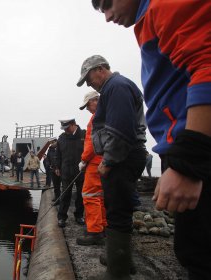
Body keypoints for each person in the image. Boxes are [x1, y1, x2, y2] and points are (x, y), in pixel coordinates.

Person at [90, 1, 211, 278]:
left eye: (107, 4)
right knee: (193, 248)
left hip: (191, 144)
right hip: (183, 142)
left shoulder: (165, 5)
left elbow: (206, 65)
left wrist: (188, 161)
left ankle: (118, 268)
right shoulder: (150, 18)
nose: (108, 16)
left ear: (100, 70)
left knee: (200, 252)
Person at [77, 55, 147, 278]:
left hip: (122, 158)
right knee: (120, 209)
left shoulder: (116, 87)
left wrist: (107, 161)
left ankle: (118, 272)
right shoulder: (114, 88)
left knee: (117, 212)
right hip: (125, 157)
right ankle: (122, 260)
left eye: (88, 79)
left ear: (99, 69)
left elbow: (120, 130)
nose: (89, 84)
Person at [76, 91, 107, 246]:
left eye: (88, 105)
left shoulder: (96, 118)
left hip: (94, 162)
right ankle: (102, 226)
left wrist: (83, 160)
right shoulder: (109, 113)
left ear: (96, 100)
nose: (87, 109)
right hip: (105, 161)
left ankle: (94, 231)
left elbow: (91, 143)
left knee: (90, 195)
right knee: (100, 196)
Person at [55, 118, 85, 228]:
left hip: (81, 171)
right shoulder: (62, 138)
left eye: (67, 128)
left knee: (81, 195)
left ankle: (79, 215)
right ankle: (62, 217)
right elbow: (58, 154)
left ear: (73, 125)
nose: (65, 131)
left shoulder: (84, 135)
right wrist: (57, 167)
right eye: (64, 129)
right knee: (65, 194)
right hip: (66, 171)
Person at [47, 137, 62, 204]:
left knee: (64, 185)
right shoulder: (50, 149)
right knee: (56, 185)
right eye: (50, 143)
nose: (51, 144)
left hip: (61, 170)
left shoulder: (61, 147)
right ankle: (57, 198)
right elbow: (48, 158)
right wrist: (49, 164)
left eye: (52, 142)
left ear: (56, 141)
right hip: (53, 170)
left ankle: (63, 199)